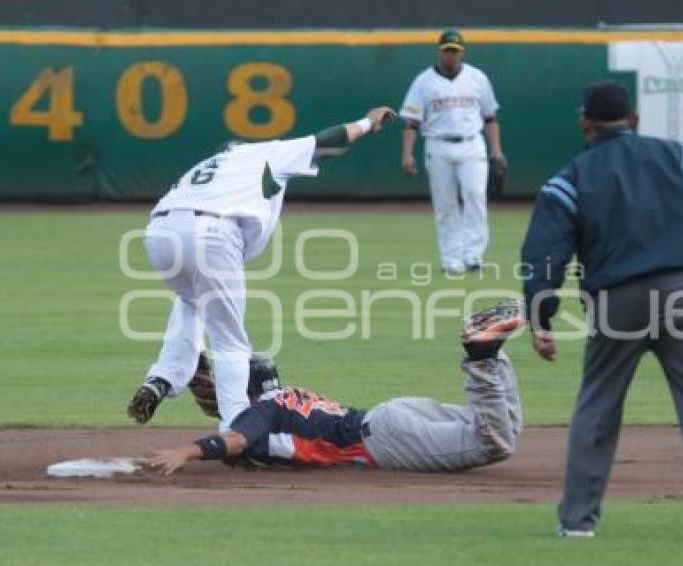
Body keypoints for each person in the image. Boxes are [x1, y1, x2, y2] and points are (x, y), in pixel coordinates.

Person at [520, 81, 683, 542]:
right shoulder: (680, 157)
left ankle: (577, 522)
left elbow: (545, 253)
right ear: (635, 119)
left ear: (585, 124)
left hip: (616, 300)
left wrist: (540, 316)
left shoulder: (570, 178)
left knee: (598, 404)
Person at [127, 106, 396, 431]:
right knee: (230, 342)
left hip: (159, 234)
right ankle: (235, 428)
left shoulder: (207, 167)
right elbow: (329, 140)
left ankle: (162, 377)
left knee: (191, 302)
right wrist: (369, 122)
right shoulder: (263, 152)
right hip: (211, 231)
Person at [145, 301, 524, 475]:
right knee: (501, 425)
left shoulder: (260, 414)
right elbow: (238, 421)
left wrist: (187, 451)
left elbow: (239, 440)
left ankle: (482, 353)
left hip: (386, 440)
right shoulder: (281, 400)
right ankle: (490, 354)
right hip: (390, 416)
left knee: (492, 442)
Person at [399, 30, 506, 274]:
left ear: (462, 52)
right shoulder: (424, 81)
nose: (451, 55)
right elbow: (411, 123)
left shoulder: (477, 78)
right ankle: (451, 258)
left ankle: (473, 255)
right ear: (439, 51)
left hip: (471, 143)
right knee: (445, 203)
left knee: (475, 196)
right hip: (438, 145)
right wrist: (407, 154)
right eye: (447, 50)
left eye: (455, 51)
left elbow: (490, 117)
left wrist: (496, 150)